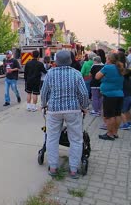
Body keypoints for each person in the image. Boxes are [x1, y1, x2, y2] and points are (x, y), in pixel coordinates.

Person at [41, 50, 89, 179]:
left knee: (52, 138)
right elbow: (84, 93)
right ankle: (73, 169)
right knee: (76, 139)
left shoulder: (50, 74)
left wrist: (44, 104)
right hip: (73, 110)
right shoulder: (76, 74)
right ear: (71, 60)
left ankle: (53, 167)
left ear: (56, 61)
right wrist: (84, 107)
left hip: (54, 110)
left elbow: (44, 92)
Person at [95, 53, 124, 140]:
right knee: (117, 114)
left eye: (107, 58)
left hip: (109, 95)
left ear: (109, 59)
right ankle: (115, 133)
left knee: (109, 115)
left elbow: (97, 76)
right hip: (119, 94)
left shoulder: (108, 67)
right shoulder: (120, 68)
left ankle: (109, 134)